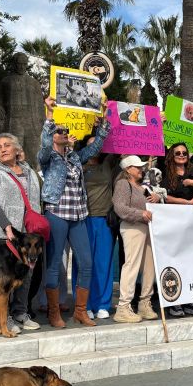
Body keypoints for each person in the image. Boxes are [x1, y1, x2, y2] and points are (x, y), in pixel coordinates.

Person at [39, 99, 110, 328]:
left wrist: (103, 120)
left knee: (86, 262)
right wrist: (50, 115)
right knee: (53, 264)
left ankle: (80, 311)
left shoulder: (75, 158)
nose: (63, 133)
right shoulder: (48, 158)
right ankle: (54, 312)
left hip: (78, 214)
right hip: (57, 214)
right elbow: (43, 144)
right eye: (59, 131)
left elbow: (95, 147)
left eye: (65, 131)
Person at [0, 133, 43, 333]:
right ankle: (5, 318)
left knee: (26, 277)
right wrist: (6, 226)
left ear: (17, 150)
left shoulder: (29, 172)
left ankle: (21, 311)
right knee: (4, 281)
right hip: (5, 235)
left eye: (7, 145)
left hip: (29, 234)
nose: (2, 149)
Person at [71, 135, 118, 320]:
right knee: (82, 263)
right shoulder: (77, 164)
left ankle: (103, 304)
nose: (95, 148)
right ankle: (84, 304)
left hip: (104, 221)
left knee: (103, 263)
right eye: (91, 145)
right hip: (82, 220)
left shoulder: (108, 163)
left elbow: (122, 140)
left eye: (98, 144)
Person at [112, 156, 162, 323]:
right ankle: (123, 307)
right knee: (131, 265)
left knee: (150, 265)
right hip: (132, 227)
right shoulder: (122, 184)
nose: (141, 169)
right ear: (128, 169)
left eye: (141, 167)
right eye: (137, 167)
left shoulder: (142, 187)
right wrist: (140, 213)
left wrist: (156, 198)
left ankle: (145, 302)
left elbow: (153, 205)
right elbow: (119, 207)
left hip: (147, 228)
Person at [160, 143, 193, 317]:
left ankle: (190, 300)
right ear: (172, 155)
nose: (181, 155)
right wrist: (187, 203)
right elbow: (164, 196)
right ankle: (175, 301)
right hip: (173, 223)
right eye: (177, 152)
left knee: (191, 261)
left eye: (184, 153)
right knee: (175, 261)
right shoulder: (166, 175)